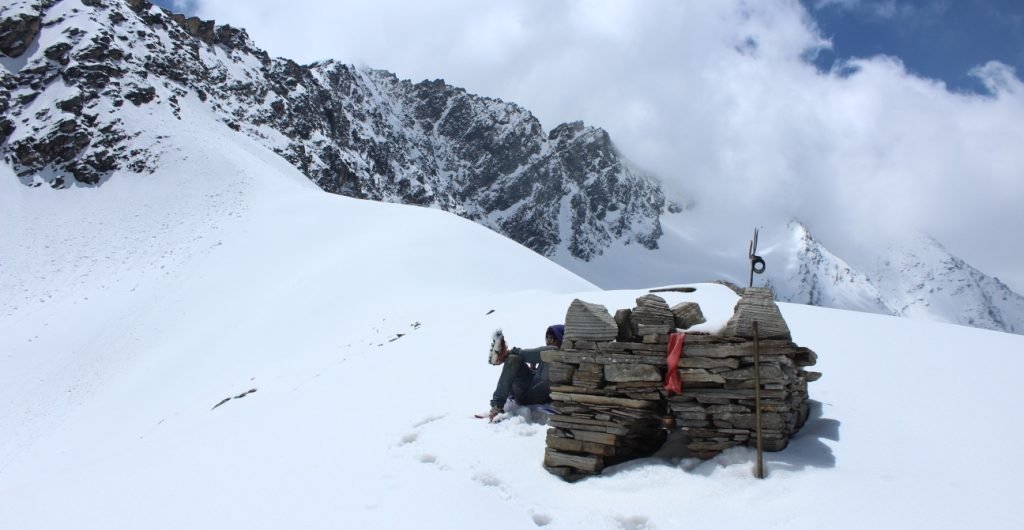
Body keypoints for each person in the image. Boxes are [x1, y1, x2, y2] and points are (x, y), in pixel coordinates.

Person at [489, 324, 565, 420]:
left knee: (552, 352)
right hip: (524, 391)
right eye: (547, 339)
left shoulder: (562, 356)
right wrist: (533, 369)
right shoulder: (548, 358)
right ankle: (497, 407)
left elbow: (546, 380)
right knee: (513, 359)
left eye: (552, 339)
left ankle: (505, 354)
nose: (549, 342)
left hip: (539, 395)